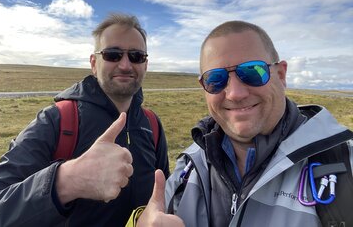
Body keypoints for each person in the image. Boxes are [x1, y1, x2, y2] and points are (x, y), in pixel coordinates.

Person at [0, 13, 170, 226]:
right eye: (112, 54)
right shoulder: (57, 120)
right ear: (94, 64)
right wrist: (66, 181)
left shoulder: (151, 125)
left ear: (145, 65)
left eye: (136, 56)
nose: (125, 65)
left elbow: (165, 197)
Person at [133, 20, 353, 227]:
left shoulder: (345, 167)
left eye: (252, 72)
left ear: (281, 74)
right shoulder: (188, 167)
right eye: (215, 79)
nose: (235, 94)